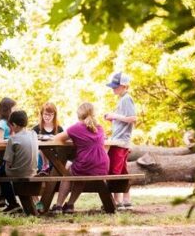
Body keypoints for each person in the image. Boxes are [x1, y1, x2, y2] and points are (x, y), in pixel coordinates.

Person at [49, 102, 110, 214]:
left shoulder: (76, 128)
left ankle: (58, 206)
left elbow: (56, 138)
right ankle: (70, 205)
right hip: (103, 164)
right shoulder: (99, 127)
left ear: (79, 114)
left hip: (87, 163)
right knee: (79, 176)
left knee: (67, 175)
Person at [104, 72, 137, 211]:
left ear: (123, 86)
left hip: (120, 141)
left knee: (114, 171)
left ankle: (117, 202)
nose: (113, 89)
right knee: (123, 170)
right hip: (120, 140)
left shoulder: (126, 99)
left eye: (115, 86)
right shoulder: (122, 98)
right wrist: (114, 117)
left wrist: (114, 116)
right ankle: (126, 199)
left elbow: (133, 118)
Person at [0, 110, 39, 214]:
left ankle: (12, 203)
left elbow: (8, 161)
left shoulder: (13, 139)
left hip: (19, 172)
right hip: (33, 170)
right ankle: (5, 200)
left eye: (11, 126)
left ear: (14, 125)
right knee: (3, 168)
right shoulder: (34, 134)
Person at [0, 97, 17, 208]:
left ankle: (2, 198)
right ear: (7, 109)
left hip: (11, 152)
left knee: (1, 171)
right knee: (1, 170)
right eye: (14, 108)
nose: (16, 110)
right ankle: (2, 197)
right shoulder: (2, 123)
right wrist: (10, 140)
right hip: (4, 152)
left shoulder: (10, 123)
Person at [32, 102, 64, 174]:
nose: (47, 117)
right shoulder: (36, 129)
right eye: (45, 114)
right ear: (41, 114)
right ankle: (44, 167)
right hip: (38, 161)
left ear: (54, 115)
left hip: (56, 160)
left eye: (50, 115)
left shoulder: (59, 129)